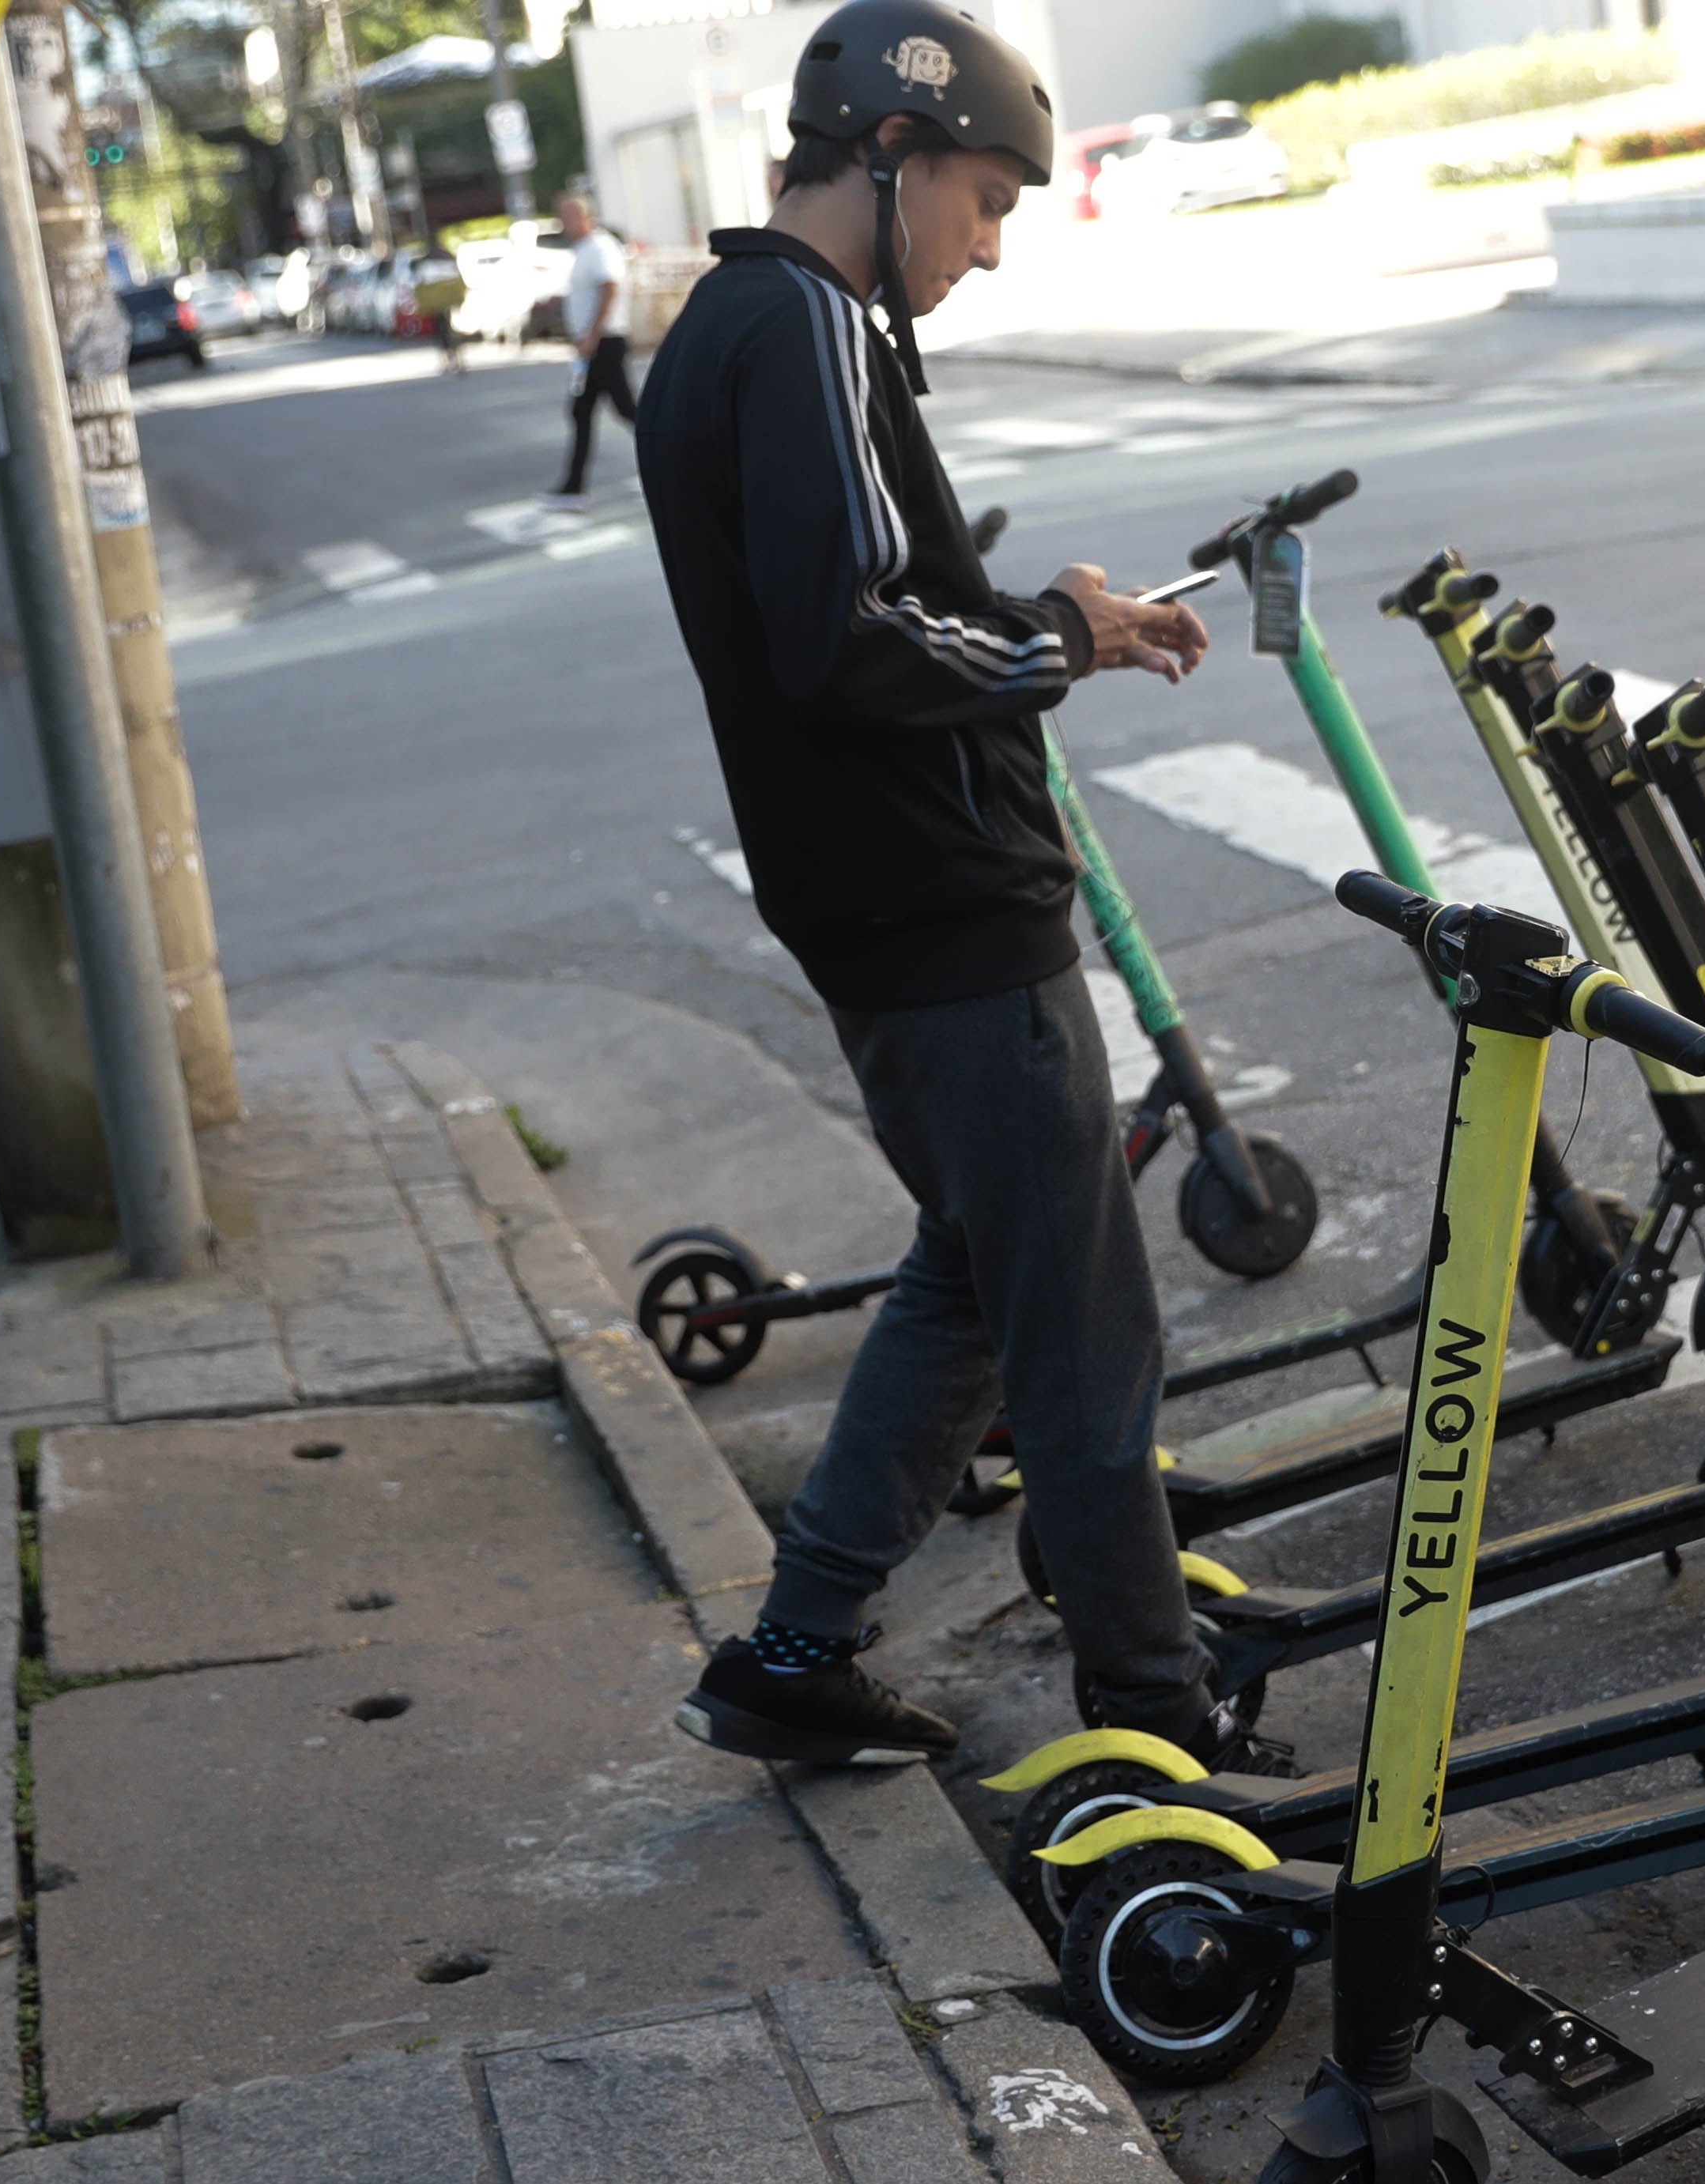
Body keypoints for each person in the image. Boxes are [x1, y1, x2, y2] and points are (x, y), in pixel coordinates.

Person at [638, 0, 1237, 1769]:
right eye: (985, 200)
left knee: (979, 1271)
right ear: (892, 152)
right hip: (947, 904)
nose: (987, 246)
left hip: (872, 898)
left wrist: (1052, 620)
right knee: (1082, 1337)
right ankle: (1156, 1716)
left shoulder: (732, 326)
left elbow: (871, 601)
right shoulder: (807, 324)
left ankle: (796, 1648)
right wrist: (1055, 637)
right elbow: (850, 638)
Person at [540, 194, 636, 510]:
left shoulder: (601, 247)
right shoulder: (583, 250)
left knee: (626, 409)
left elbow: (610, 288)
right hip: (590, 343)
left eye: (566, 217)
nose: (562, 224)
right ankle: (573, 487)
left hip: (603, 342)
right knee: (583, 412)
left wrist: (593, 334)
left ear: (584, 217)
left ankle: (679, 458)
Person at [408, 245, 466, 372]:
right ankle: (452, 357)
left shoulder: (427, 262)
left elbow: (419, 282)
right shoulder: (446, 259)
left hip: (438, 303)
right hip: (445, 302)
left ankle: (449, 358)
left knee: (442, 330)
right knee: (447, 329)